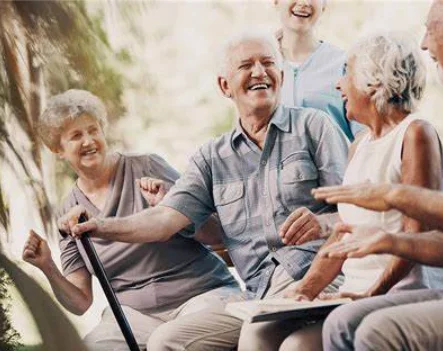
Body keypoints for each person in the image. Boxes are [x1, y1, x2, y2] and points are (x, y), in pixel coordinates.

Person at [59, 33, 349, 350]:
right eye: (246, 65)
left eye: (268, 63)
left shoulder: (314, 126)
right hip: (257, 296)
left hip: (321, 274)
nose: (259, 72)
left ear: (280, 75)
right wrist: (100, 225)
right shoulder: (212, 157)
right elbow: (163, 220)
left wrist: (323, 224)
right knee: (166, 342)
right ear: (225, 86)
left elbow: (354, 212)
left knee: (261, 340)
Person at [312, 0, 443, 349]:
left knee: (379, 331)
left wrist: (396, 195)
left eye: (431, 29)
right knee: (342, 323)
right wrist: (391, 241)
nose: (424, 44)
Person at [266, 32, 443, 351]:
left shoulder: (415, 134)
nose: (338, 86)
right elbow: (342, 235)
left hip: (403, 297)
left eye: (346, 74)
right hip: (356, 297)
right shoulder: (359, 146)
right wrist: (304, 292)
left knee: (297, 347)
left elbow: (414, 236)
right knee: (265, 334)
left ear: (374, 82)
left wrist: (369, 296)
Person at [22, 89, 239, 351]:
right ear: (58, 149)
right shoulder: (68, 211)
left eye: (93, 130)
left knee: (165, 342)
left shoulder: (147, 167)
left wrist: (169, 205)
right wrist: (47, 266)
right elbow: (80, 303)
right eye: (76, 135)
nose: (89, 140)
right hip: (136, 316)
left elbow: (216, 234)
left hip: (201, 295)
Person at [275, 0, 360, 140]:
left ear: (324, 5)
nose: (304, 3)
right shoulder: (258, 65)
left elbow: (364, 134)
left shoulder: (344, 64)